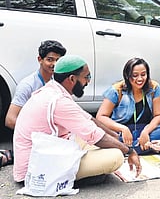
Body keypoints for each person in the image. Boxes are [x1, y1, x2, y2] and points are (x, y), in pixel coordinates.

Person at [13, 55, 141, 182]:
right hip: (36, 171)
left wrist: (114, 135)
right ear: (72, 79)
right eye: (87, 77)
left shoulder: (53, 90)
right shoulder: (59, 101)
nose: (88, 81)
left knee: (103, 141)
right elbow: (94, 135)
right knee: (116, 156)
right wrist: (129, 151)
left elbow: (88, 119)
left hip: (45, 154)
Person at [96, 58, 160, 154]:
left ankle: (126, 149)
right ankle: (146, 147)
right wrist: (123, 129)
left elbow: (159, 115)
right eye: (135, 75)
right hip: (122, 132)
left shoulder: (154, 88)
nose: (140, 79)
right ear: (127, 76)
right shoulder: (116, 90)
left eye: (143, 75)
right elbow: (101, 117)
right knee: (103, 135)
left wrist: (146, 131)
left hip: (144, 129)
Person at [5, 40, 66, 129]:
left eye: (58, 60)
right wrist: (38, 132)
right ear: (40, 59)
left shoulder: (58, 82)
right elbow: (10, 120)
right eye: (50, 60)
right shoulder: (27, 85)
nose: (54, 64)